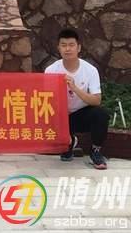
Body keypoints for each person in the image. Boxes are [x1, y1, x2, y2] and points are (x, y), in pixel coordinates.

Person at [45, 27, 109, 170]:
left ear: (78, 48)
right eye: (63, 45)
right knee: (63, 150)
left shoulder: (90, 70)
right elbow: (47, 102)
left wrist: (74, 88)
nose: (68, 49)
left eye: (71, 45)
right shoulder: (51, 71)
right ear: (58, 48)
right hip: (60, 116)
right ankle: (69, 142)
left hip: (81, 115)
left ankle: (95, 151)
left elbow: (96, 100)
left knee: (101, 114)